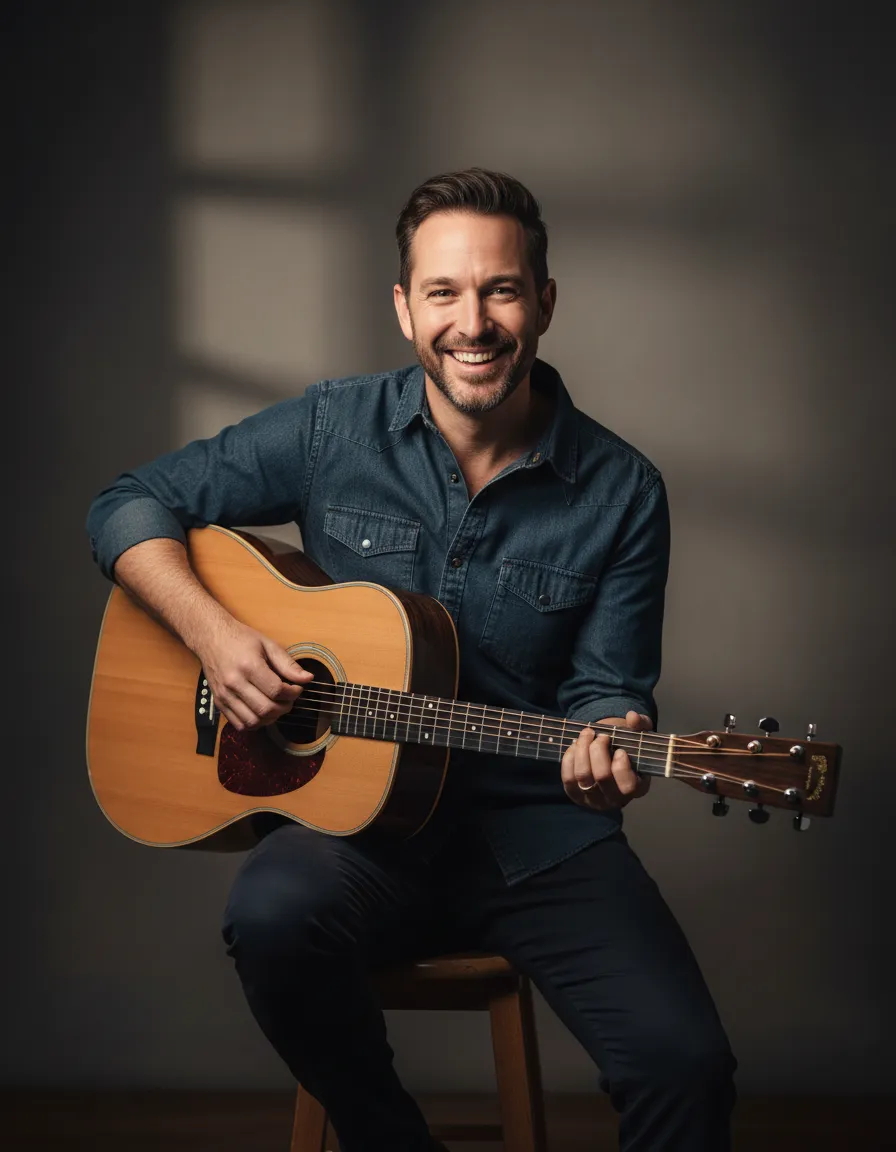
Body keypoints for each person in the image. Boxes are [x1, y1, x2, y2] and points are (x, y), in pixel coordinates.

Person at [86, 168, 737, 1151]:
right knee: (270, 917)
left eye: (501, 290)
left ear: (544, 302)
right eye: (443, 292)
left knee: (686, 1067)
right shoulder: (331, 430)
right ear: (403, 308)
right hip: (356, 836)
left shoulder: (622, 490)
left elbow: (606, 688)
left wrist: (612, 742)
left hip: (536, 843)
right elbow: (126, 505)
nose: (472, 324)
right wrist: (214, 636)